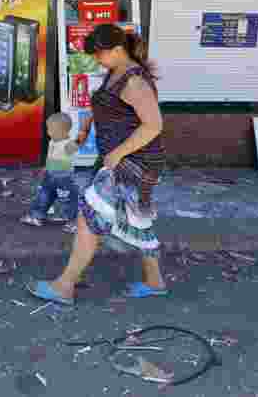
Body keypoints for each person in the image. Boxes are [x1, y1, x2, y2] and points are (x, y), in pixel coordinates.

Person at [27, 23, 166, 305]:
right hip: (116, 159)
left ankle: (65, 285)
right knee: (138, 221)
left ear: (117, 50)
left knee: (88, 215)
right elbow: (113, 110)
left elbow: (154, 125)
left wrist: (119, 153)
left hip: (131, 162)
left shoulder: (134, 81)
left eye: (99, 54)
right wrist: (93, 123)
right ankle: (155, 281)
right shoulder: (117, 72)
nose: (96, 60)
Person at [20, 113, 80, 234]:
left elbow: (74, 146)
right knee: (44, 195)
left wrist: (79, 138)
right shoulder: (52, 141)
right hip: (50, 176)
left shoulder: (67, 144)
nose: (48, 131)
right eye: (48, 128)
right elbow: (51, 157)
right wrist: (45, 168)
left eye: (51, 129)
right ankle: (36, 215)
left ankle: (74, 222)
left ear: (63, 131)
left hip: (64, 178)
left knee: (68, 199)